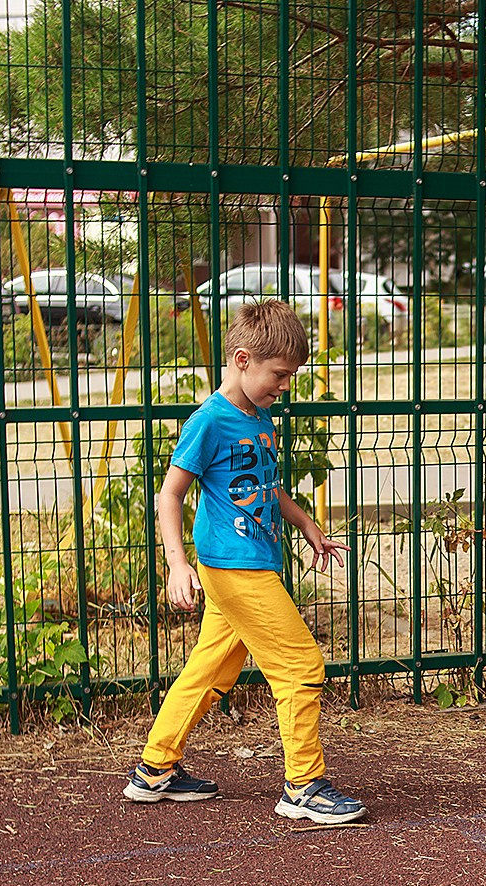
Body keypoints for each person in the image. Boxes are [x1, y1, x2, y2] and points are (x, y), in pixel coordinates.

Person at [123, 299, 367, 825]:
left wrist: (303, 522)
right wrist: (176, 563)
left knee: (212, 666)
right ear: (241, 359)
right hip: (232, 566)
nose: (284, 385)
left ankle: (155, 768)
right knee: (301, 666)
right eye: (278, 374)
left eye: (290, 376)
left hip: (254, 559)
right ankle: (303, 784)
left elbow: (266, 486)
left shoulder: (260, 418)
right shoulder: (209, 422)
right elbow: (170, 495)